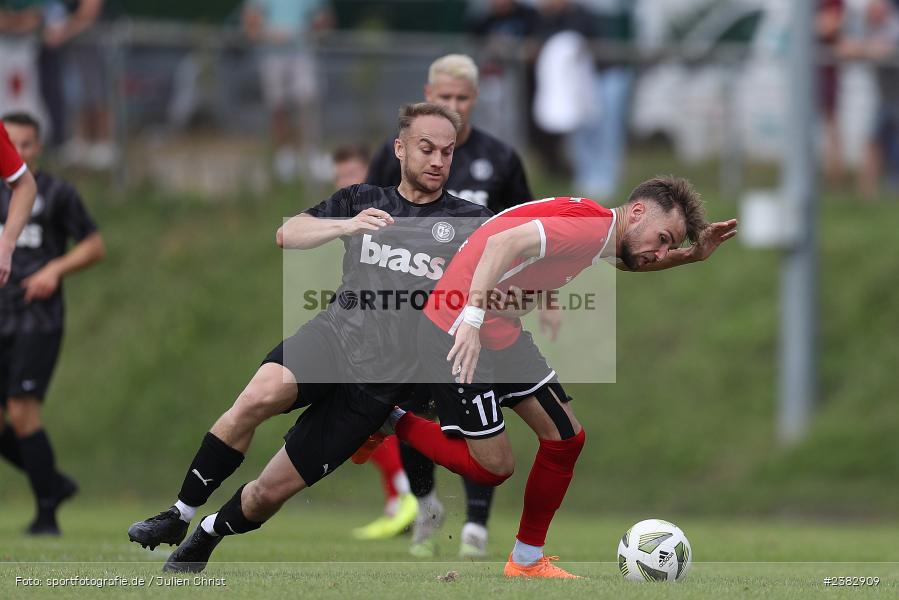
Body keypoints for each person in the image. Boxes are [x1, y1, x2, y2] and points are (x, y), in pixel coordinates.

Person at [126, 104, 491, 571]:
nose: (438, 160)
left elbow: (517, 257)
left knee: (267, 492)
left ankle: (207, 533)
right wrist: (347, 225)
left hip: (378, 387)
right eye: (427, 149)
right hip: (333, 340)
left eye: (447, 151)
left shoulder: (470, 221)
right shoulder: (362, 199)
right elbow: (288, 232)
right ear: (400, 149)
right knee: (257, 397)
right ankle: (179, 513)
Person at [374, 177, 737, 578]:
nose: (662, 252)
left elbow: (629, 260)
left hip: (499, 329)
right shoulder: (590, 229)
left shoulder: (604, 231)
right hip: (457, 325)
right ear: (637, 213)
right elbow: (501, 243)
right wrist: (472, 318)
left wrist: (692, 255)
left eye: (669, 246)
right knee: (493, 468)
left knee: (566, 439)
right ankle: (389, 418)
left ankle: (526, 560)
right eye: (663, 238)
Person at [365, 53, 538, 557]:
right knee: (409, 407)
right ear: (428, 94)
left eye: (462, 98)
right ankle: (425, 507)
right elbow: (365, 223)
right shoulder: (396, 155)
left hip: (472, 312)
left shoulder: (499, 159)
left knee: (476, 408)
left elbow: (527, 231)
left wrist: (534, 294)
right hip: (408, 309)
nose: (454, 105)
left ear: (475, 99)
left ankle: (476, 528)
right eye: (444, 96)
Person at [1, 111, 104, 534]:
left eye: (25, 144)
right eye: (11, 144)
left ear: (38, 147)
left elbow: (94, 245)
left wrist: (54, 270)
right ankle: (53, 483)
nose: (17, 151)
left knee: (23, 411)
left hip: (37, 318)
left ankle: (46, 515)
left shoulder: (57, 193)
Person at [328, 141, 420, 541]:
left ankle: (405, 495)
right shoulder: (352, 218)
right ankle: (400, 498)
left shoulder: (390, 214)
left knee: (369, 413)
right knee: (366, 418)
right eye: (339, 177)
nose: (344, 184)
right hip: (362, 331)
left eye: (352, 175)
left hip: (391, 338)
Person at [242, 0, 334, 182]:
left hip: (302, 52)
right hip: (271, 54)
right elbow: (250, 23)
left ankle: (311, 153)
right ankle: (285, 158)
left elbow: (324, 20)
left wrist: (310, 30)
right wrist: (267, 34)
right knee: (278, 106)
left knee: (307, 102)